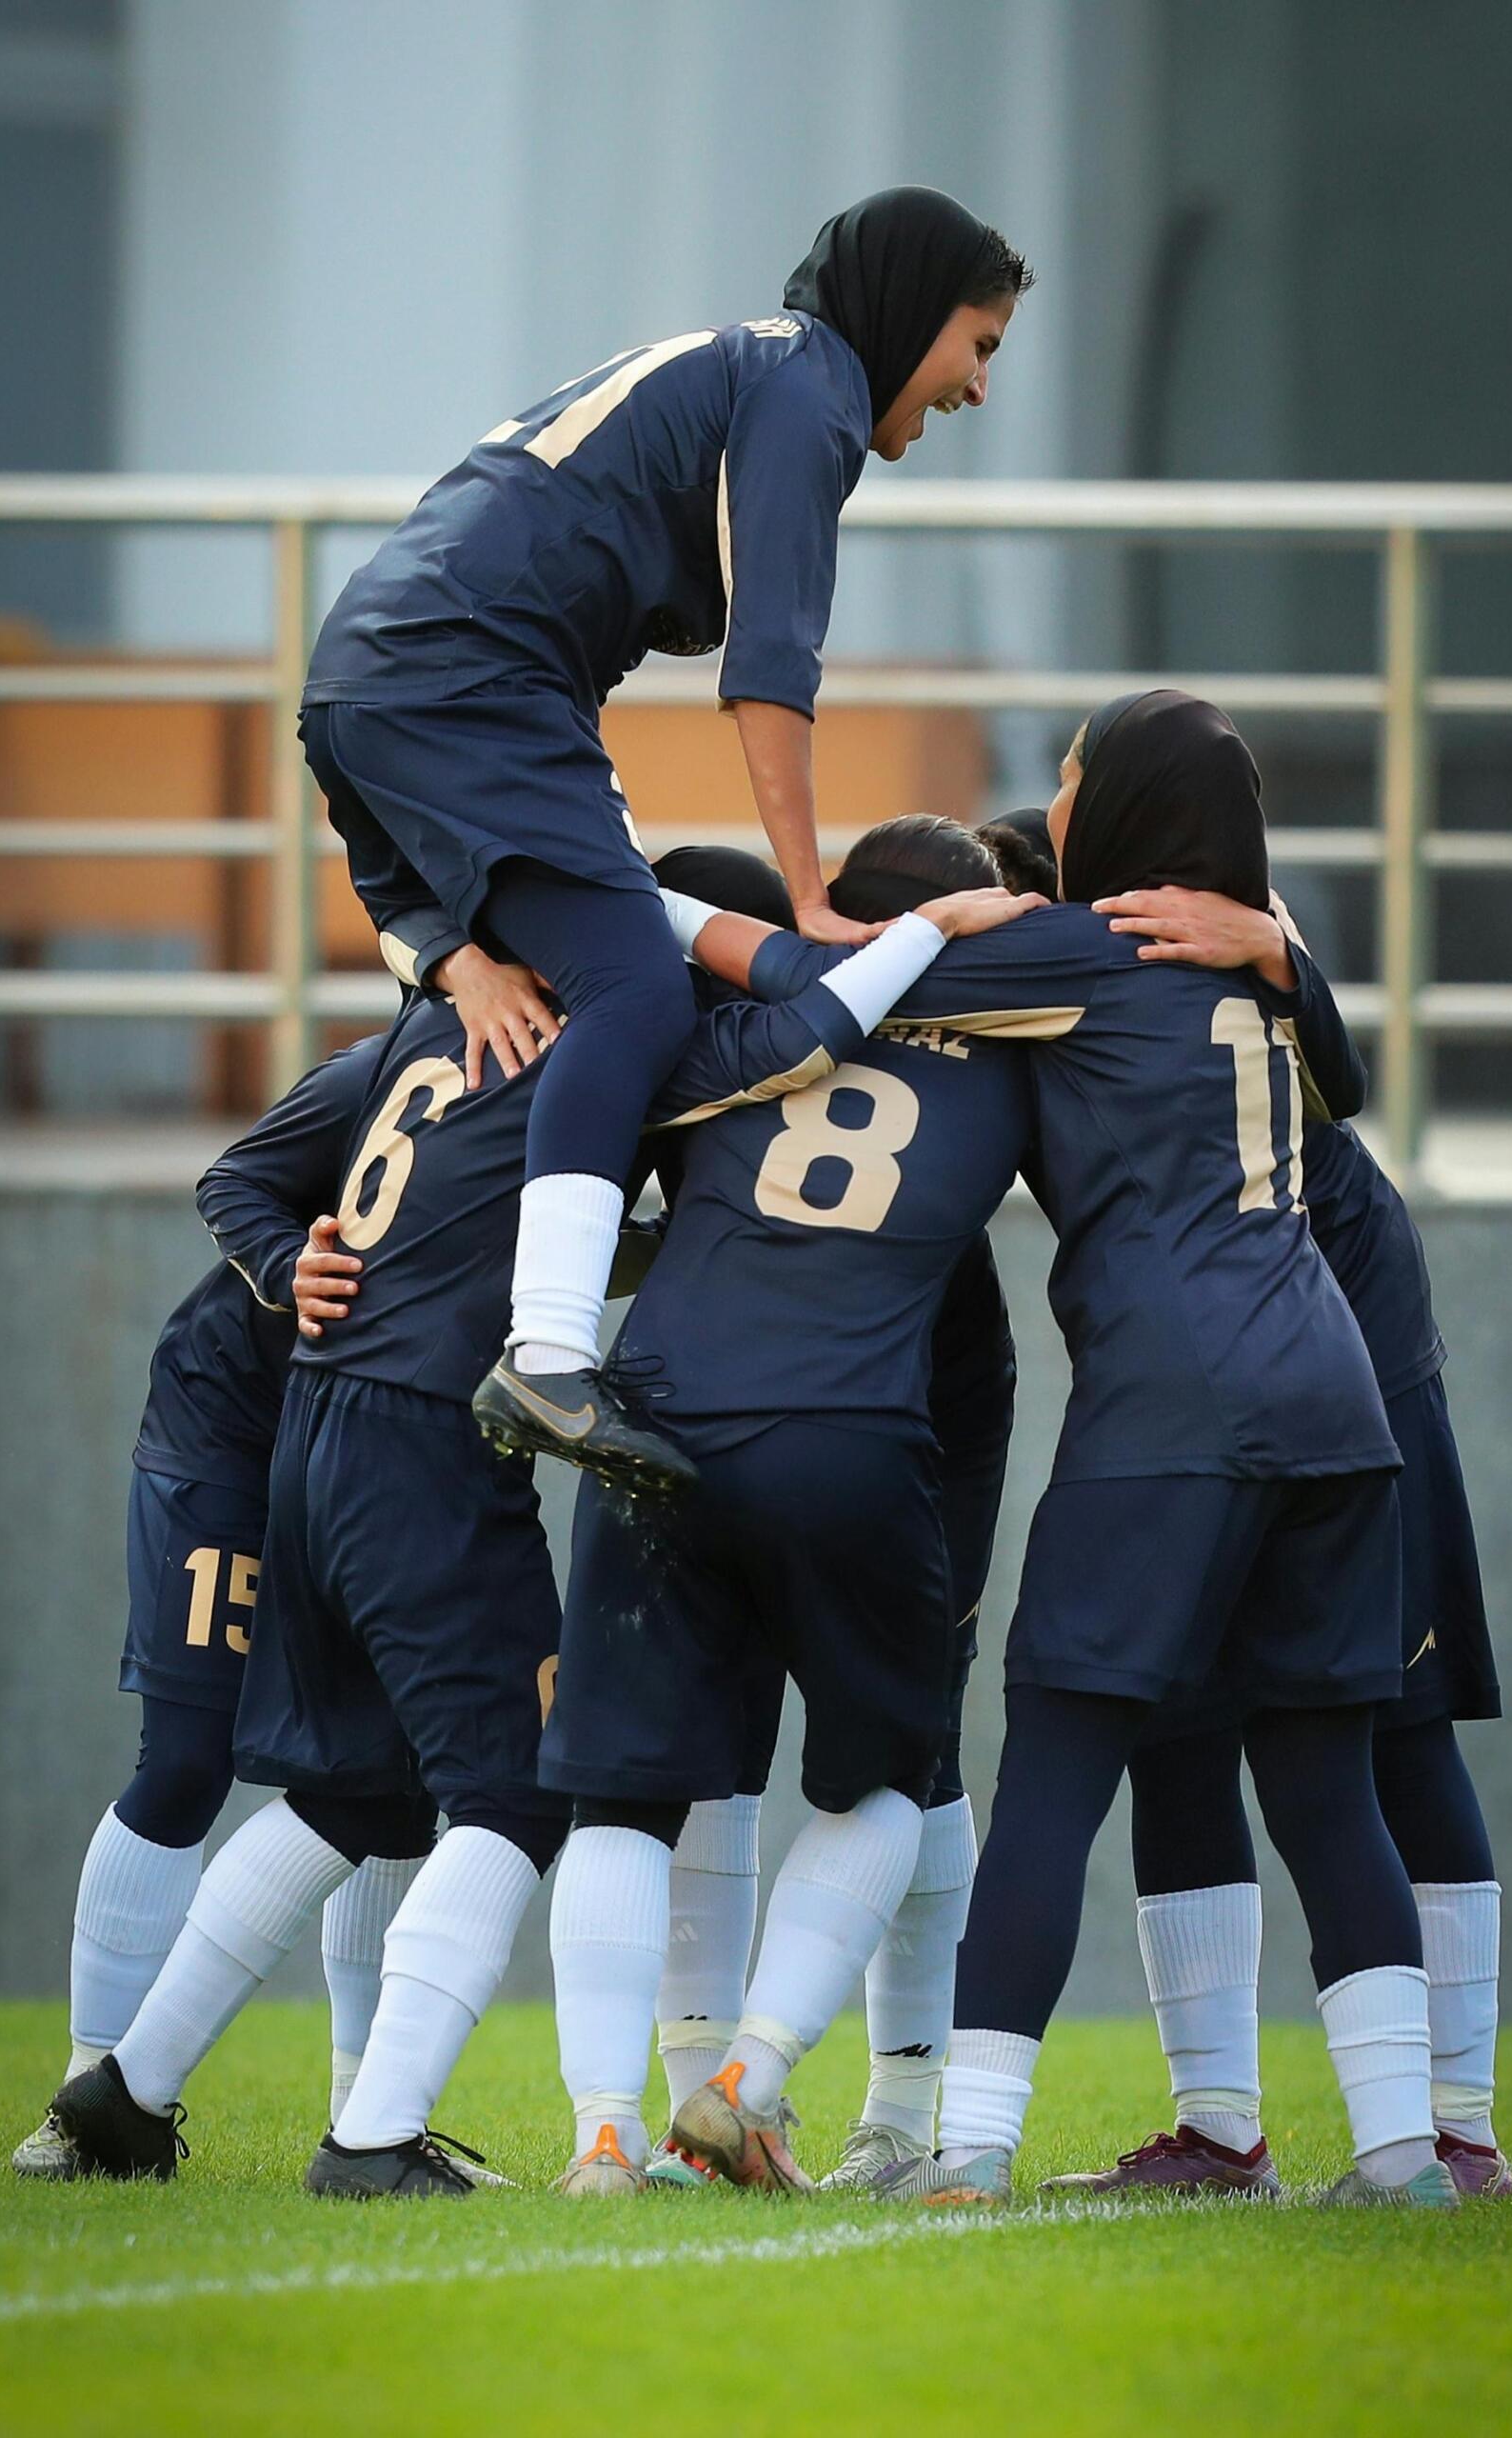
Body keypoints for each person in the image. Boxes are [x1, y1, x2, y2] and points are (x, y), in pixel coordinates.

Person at [43, 903, 993, 2191]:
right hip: (427, 1439)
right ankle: (370, 2140)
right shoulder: (629, 1022)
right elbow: (814, 1028)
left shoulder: (445, 1013)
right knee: (517, 1796)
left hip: (320, 1425)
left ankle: (125, 2092)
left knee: (357, 1792)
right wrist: (927, 924)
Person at [727, 692, 1460, 2211]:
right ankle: (1402, 2156)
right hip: (1334, 1404)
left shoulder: (1087, 947)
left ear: (1121, 805)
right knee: (1325, 1784)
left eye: (1069, 781)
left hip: (1175, 1403)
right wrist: (1289, 947)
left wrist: (637, 902)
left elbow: (836, 974)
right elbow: (1355, 1082)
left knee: (1055, 1761)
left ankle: (975, 2148)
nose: (1054, 811)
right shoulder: (1251, 959)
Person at [298, 188, 1031, 1493]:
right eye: (978, 342)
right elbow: (768, 672)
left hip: (375, 677)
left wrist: (443, 947)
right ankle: (549, 1346)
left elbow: (349, 724)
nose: (980, 383)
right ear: (913, 309)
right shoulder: (810, 394)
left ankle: (581, 1232)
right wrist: (812, 900)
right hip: (476, 681)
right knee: (634, 988)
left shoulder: (753, 363)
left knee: (615, 939)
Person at [536, 832, 1043, 2194]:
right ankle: (748, 2080)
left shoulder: (752, 1031)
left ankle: (601, 2136)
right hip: (845, 1431)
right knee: (890, 1775)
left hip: (659, 1409)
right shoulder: (1014, 1054)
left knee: (621, 1804)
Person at [10, 903, 506, 2184]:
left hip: (378, 1452)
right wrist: (290, 1267)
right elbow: (232, 1178)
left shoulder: (590, 1072)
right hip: (239, 1432)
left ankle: (358, 2113)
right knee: (186, 1757)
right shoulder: (404, 1059)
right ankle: (91, 2094)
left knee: (378, 1764)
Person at [1027, 884, 1507, 2200]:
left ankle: (1456, 2124)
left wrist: (1286, 951)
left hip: (1352, 1365)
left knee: (1394, 1726)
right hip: (1212, 1389)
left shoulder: (1181, 935)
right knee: (1177, 1728)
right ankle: (1220, 2131)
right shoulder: (1088, 970)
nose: (1071, 795)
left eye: (1080, 778)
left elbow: (1335, 1084)